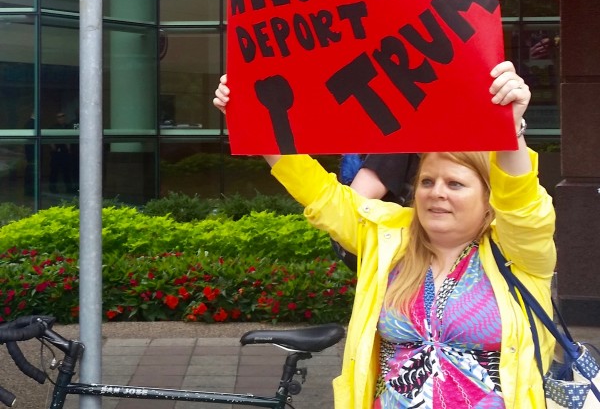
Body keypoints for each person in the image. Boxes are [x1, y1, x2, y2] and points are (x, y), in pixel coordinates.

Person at [213, 61, 556, 409]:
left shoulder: (518, 248)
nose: (436, 192)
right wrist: (255, 121)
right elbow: (321, 194)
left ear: (488, 199)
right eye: (427, 181)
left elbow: (521, 201)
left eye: (455, 184)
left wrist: (510, 128)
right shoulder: (388, 235)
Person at [49, 111, 75, 194]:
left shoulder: (68, 126)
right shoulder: (53, 127)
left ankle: (69, 188)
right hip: (56, 152)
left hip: (65, 152)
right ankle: (53, 188)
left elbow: (69, 138)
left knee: (66, 171)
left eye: (63, 116)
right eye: (59, 117)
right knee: (54, 171)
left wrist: (69, 149)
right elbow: (50, 138)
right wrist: (53, 147)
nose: (61, 118)